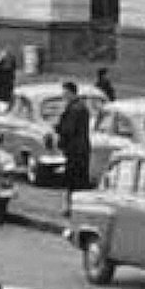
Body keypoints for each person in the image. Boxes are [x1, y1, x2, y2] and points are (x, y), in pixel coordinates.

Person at [55, 80, 92, 217]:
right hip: (81, 148)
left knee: (74, 181)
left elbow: (68, 129)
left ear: (71, 93)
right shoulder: (80, 107)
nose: (63, 96)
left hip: (75, 150)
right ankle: (77, 207)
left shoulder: (75, 109)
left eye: (65, 93)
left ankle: (73, 208)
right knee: (79, 180)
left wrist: (58, 128)